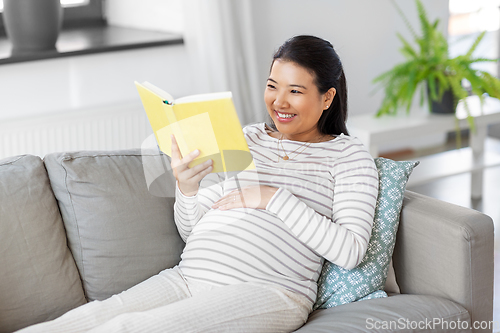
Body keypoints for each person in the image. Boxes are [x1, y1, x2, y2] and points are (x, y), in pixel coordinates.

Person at [17, 35, 379, 333]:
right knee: (83, 320)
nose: (278, 102)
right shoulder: (247, 137)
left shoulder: (348, 157)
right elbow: (193, 230)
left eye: (295, 91)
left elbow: (350, 251)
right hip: (188, 276)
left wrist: (272, 198)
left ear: (327, 96)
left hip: (267, 290)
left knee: (130, 328)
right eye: (272, 86)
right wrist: (187, 189)